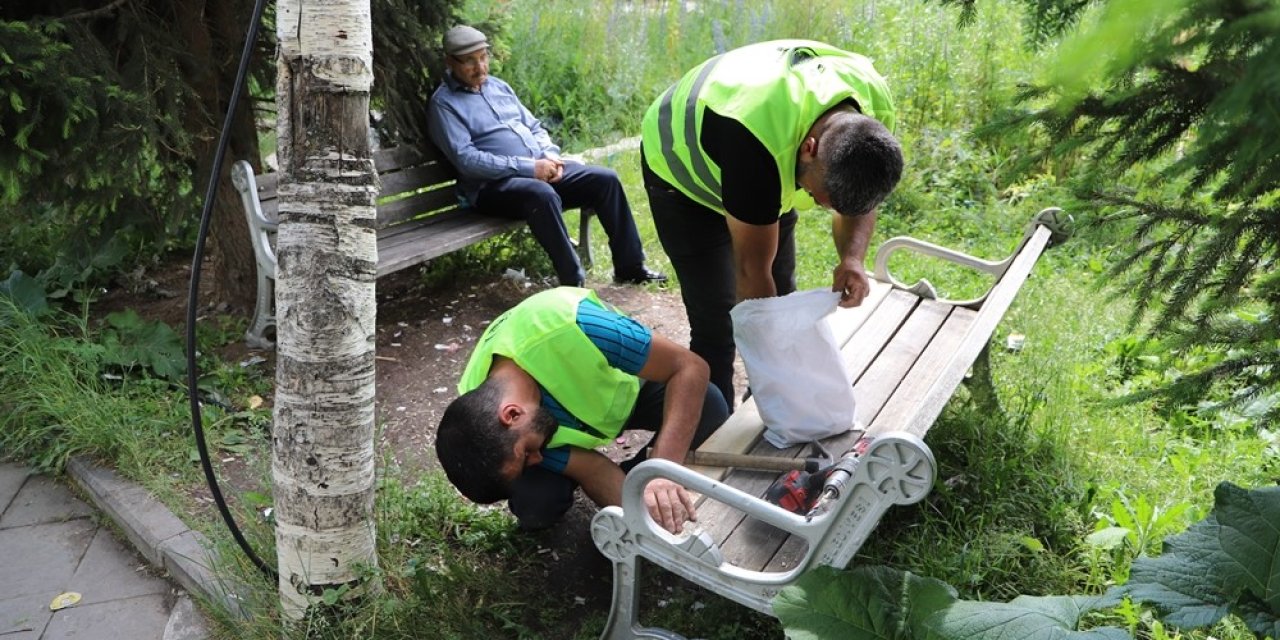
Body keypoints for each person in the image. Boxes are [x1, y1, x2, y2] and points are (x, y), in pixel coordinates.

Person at [640, 40, 904, 406]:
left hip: (766, 152)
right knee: (718, 317)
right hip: (683, 174)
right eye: (822, 197)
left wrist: (852, 258)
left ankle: (765, 405)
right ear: (810, 147)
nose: (824, 207)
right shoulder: (755, 142)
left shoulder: (870, 112)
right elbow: (751, 274)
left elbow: (861, 194)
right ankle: (711, 423)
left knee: (781, 292)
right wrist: (784, 378)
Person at [434, 286, 728, 534]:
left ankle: (642, 478)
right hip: (565, 420)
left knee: (709, 404)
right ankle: (638, 491)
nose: (537, 459)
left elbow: (689, 367)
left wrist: (661, 472)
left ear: (511, 414)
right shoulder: (480, 413)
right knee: (535, 502)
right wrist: (644, 521)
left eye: (527, 454)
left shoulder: (574, 326)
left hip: (623, 393)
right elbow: (591, 468)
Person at [427, 25, 666, 288]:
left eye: (483, 57)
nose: (481, 67)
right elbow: (467, 160)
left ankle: (630, 267)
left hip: (539, 171)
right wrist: (531, 168)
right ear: (450, 61)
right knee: (541, 195)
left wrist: (551, 157)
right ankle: (573, 283)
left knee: (604, 179)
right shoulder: (444, 104)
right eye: (470, 61)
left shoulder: (498, 87)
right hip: (492, 189)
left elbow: (534, 126)